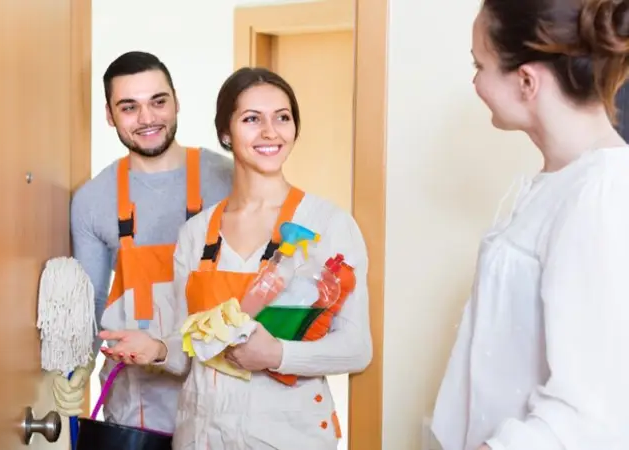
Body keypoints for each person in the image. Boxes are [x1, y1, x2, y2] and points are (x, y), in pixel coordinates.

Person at [100, 67, 373, 449]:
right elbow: (191, 348)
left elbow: (357, 348)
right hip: (201, 435)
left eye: (283, 117)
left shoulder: (328, 225)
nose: (270, 132)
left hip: (287, 437)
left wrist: (276, 354)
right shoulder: (196, 234)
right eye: (251, 119)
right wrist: (158, 349)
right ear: (225, 133)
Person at [431, 0, 629, 449]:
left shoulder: (602, 194)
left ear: (525, 81)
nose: (475, 81)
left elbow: (590, 416)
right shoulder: (557, 183)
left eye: (479, 65)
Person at [52, 51, 233, 436]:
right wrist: (77, 368)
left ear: (176, 101)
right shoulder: (93, 201)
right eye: (129, 107)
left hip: (222, 396)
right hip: (138, 410)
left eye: (158, 101)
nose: (148, 118)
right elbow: (92, 305)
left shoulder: (229, 180)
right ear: (109, 115)